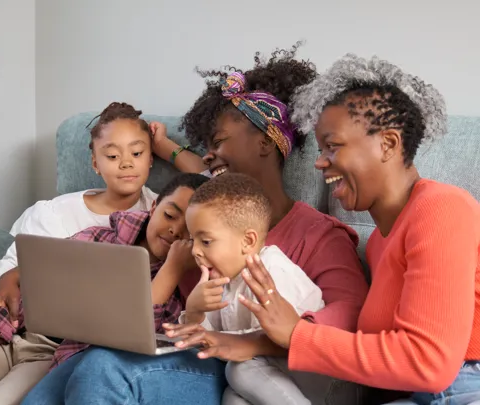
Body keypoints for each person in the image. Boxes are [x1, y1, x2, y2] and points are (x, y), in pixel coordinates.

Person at [23, 43, 369, 405]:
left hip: (253, 367)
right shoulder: (193, 221)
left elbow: (349, 314)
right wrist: (16, 277)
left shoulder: (316, 234)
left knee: (103, 368)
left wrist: (257, 341)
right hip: (187, 345)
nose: (208, 154)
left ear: (266, 142)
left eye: (218, 142)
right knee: (49, 390)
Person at [180, 54, 480, 404]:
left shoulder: (442, 208)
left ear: (388, 144)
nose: (320, 162)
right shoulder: (381, 241)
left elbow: (429, 363)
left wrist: (297, 333)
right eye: (320, 149)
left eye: (333, 146)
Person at [0, 173, 209, 405]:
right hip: (13, 334)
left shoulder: (183, 283)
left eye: (189, 229)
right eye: (170, 215)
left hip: (51, 356)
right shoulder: (101, 237)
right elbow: (33, 281)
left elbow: (132, 333)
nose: (175, 231)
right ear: (153, 207)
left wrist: (173, 269)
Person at [0, 102, 158, 361]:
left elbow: (205, 189)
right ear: (95, 163)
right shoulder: (56, 211)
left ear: (151, 158)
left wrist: (171, 147)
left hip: (56, 329)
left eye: (136, 153)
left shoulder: (162, 215)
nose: (125, 164)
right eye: (112, 156)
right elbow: (12, 266)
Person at [171, 172, 325, 405]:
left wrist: (220, 340)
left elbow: (285, 343)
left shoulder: (273, 272)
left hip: (320, 379)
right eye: (193, 240)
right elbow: (210, 342)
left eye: (206, 241)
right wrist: (194, 312)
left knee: (239, 371)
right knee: (232, 398)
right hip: (271, 381)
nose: (195, 251)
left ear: (248, 241)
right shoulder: (222, 279)